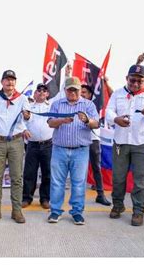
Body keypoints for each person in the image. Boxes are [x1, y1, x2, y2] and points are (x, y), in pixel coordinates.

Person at [106, 64, 144, 226]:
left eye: (139, 81)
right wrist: (116, 119)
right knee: (118, 177)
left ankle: (138, 211)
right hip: (121, 141)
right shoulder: (118, 94)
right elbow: (109, 112)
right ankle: (118, 205)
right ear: (127, 78)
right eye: (132, 80)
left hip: (142, 142)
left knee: (141, 179)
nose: (135, 83)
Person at [46, 77, 99, 224]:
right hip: (59, 149)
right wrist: (61, 120)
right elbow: (50, 122)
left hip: (80, 150)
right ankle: (55, 211)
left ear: (79, 90)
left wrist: (87, 120)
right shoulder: (57, 104)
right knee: (57, 182)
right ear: (65, 90)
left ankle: (77, 212)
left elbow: (96, 124)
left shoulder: (88, 105)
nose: (72, 92)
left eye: (75, 90)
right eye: (70, 90)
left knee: (79, 183)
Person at [0, 70, 30, 224]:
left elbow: (28, 116)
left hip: (16, 141)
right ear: (2, 82)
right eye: (7, 80)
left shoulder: (22, 98)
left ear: (15, 82)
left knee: (17, 178)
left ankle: (17, 211)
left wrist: (27, 115)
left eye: (12, 80)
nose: (10, 83)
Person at [21, 83, 54, 209]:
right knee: (29, 173)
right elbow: (21, 121)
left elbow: (63, 92)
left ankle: (45, 199)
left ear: (47, 94)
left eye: (44, 90)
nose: (41, 92)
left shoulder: (52, 106)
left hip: (48, 144)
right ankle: (26, 198)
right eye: (39, 90)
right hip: (32, 145)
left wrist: (66, 74)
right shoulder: (28, 106)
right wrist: (24, 130)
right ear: (35, 93)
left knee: (47, 173)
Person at [80, 84, 111, 206]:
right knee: (80, 169)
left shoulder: (93, 106)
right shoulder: (74, 106)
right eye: (80, 92)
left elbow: (96, 123)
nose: (82, 94)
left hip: (93, 139)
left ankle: (100, 194)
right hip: (79, 140)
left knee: (96, 168)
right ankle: (78, 197)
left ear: (90, 95)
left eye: (85, 92)